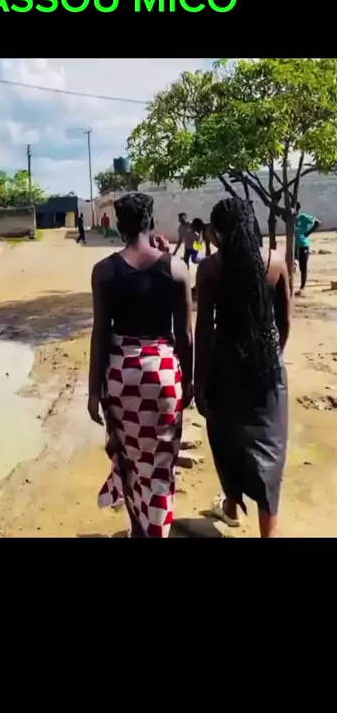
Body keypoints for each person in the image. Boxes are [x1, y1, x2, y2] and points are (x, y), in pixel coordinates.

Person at [88, 192, 193, 538]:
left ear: (120, 226)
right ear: (150, 222)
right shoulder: (176, 268)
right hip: (163, 374)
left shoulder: (104, 271)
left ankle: (137, 529)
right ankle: (157, 530)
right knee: (161, 463)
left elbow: (101, 332)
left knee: (128, 457)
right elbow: (185, 335)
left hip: (122, 375)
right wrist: (189, 381)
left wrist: (93, 391)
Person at [194, 197, 291, 538]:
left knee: (226, 439)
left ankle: (232, 504)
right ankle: (266, 531)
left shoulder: (210, 269)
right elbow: (284, 322)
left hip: (225, 368)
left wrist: (198, 383)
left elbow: (204, 332)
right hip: (267, 368)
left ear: (217, 232)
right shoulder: (275, 263)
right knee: (270, 449)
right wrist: (271, 357)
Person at [294, 202, 321, 295]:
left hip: (303, 244)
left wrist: (308, 233)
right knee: (291, 263)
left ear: (298, 209)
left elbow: (317, 222)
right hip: (293, 245)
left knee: (303, 266)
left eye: (295, 208)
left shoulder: (303, 217)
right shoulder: (290, 219)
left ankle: (302, 287)